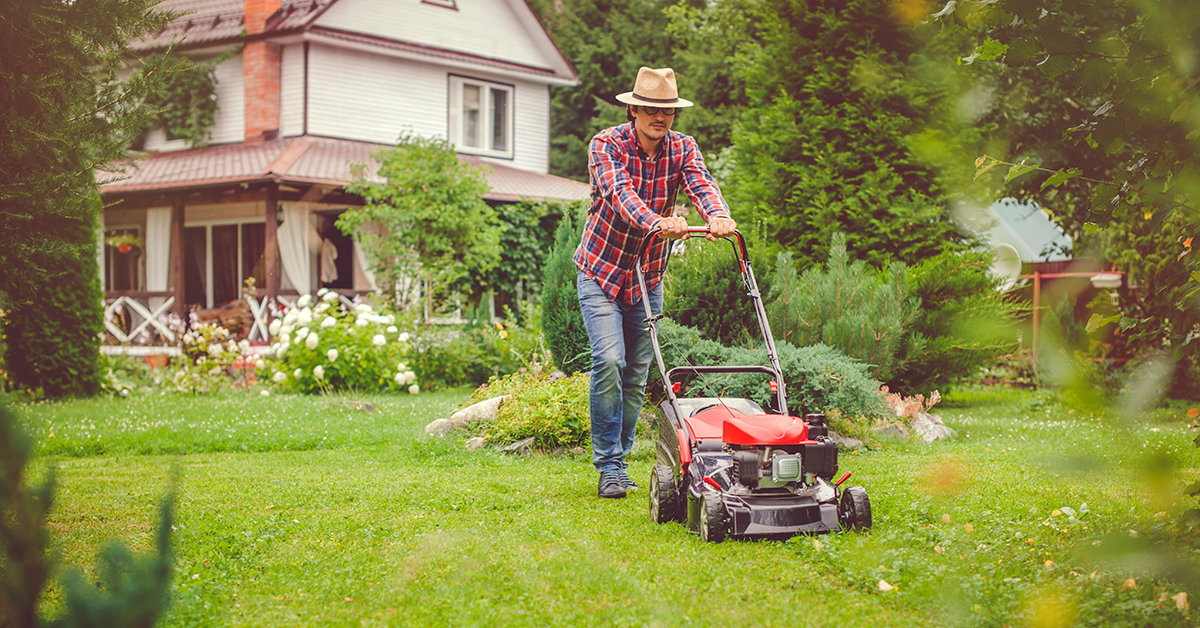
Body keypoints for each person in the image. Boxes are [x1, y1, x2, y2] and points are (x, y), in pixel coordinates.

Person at [574, 66, 736, 499]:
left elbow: (701, 183)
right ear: (634, 110)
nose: (659, 117)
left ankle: (620, 462)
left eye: (667, 111)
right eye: (650, 109)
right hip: (601, 271)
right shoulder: (606, 144)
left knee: (636, 373)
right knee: (610, 360)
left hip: (647, 277)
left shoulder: (683, 147)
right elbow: (620, 194)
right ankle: (608, 466)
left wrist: (717, 215)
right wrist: (656, 222)